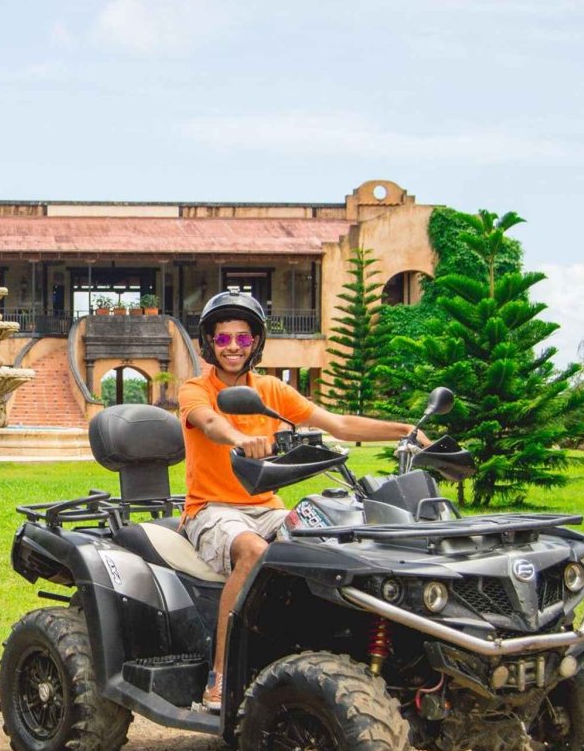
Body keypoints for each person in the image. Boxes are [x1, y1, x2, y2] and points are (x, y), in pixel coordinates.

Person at [177, 290, 426, 713]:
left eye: (242, 338)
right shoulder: (195, 389)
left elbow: (340, 424)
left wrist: (406, 431)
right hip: (212, 509)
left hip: (267, 507)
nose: (233, 347)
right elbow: (209, 422)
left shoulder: (272, 390)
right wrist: (241, 439)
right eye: (223, 339)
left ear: (255, 342)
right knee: (254, 552)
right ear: (209, 344)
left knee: (329, 543)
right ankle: (220, 677)